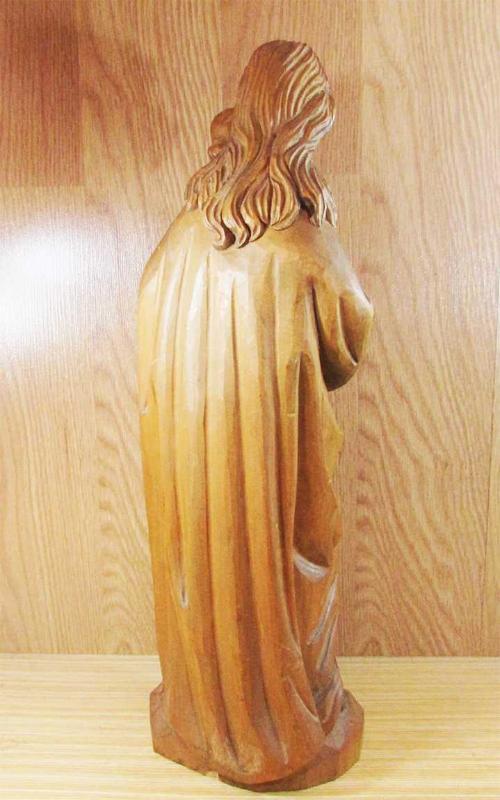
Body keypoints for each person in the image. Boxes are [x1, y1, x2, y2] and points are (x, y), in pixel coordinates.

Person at [138, 40, 373, 790]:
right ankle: (273, 725)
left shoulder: (183, 232)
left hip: (191, 462)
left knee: (205, 575)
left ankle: (203, 716)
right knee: (277, 575)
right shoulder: (300, 241)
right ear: (300, 126)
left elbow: (152, 317)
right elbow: (349, 333)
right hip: (265, 462)